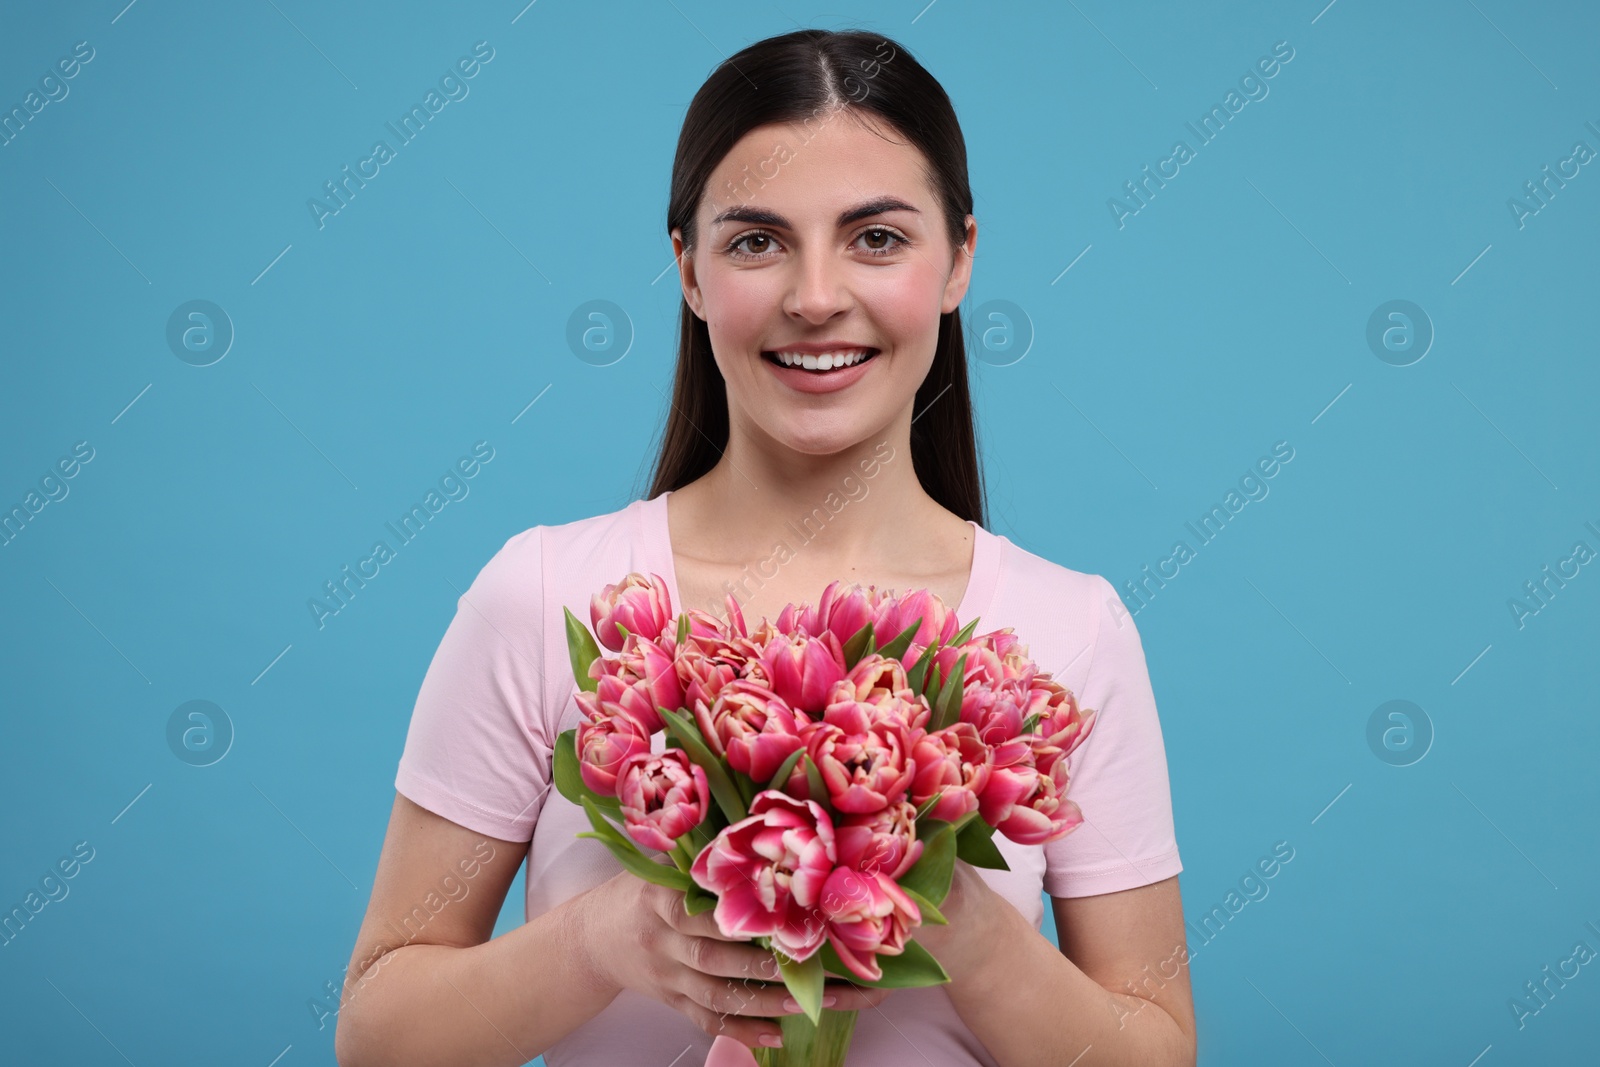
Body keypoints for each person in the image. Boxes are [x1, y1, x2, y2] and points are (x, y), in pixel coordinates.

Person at [334, 28, 1195, 1067]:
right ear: (687, 269)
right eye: (756, 241)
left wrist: (960, 923)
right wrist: (604, 937)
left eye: (876, 237)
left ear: (959, 259)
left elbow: (1153, 1050)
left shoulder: (1066, 633)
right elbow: (377, 1033)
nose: (815, 295)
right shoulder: (548, 597)